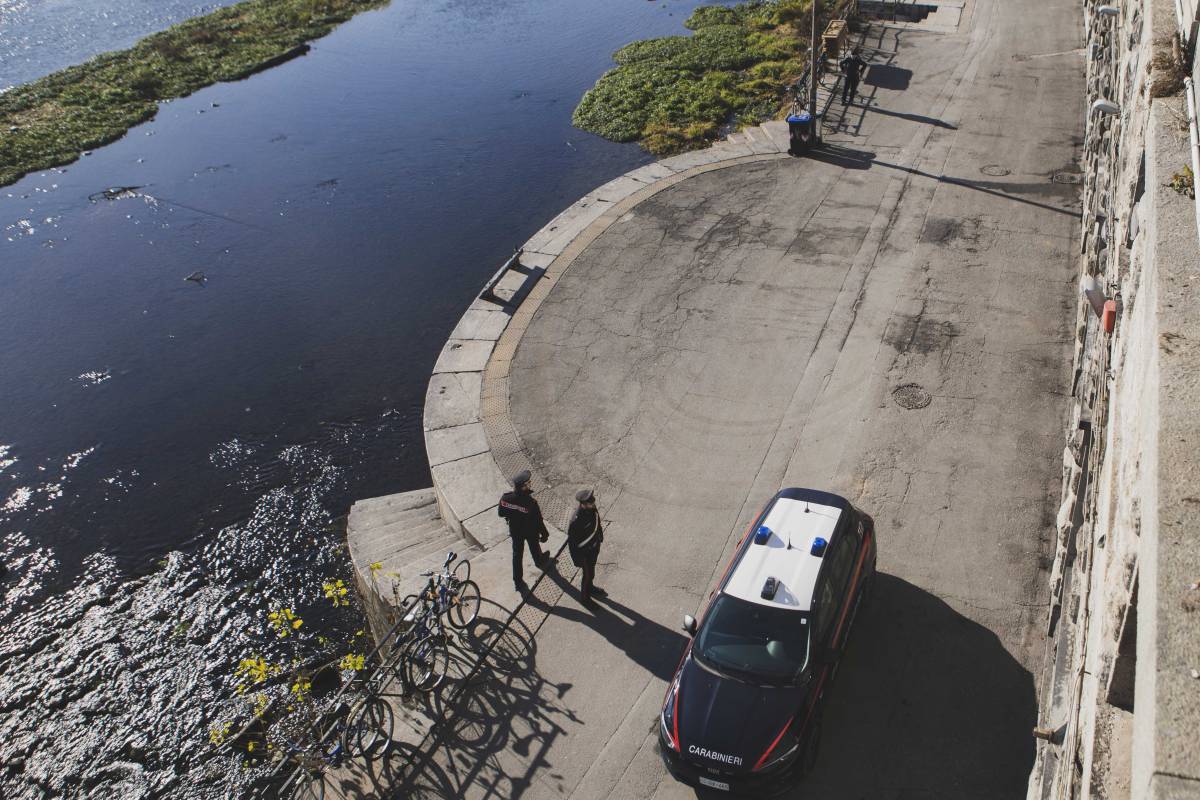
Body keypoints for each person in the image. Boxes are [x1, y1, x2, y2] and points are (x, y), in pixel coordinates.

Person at [498, 469, 550, 594]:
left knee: (517, 555)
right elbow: (538, 520)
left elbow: (500, 513)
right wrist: (544, 533)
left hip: (515, 531)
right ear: (523, 487)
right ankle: (539, 560)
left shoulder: (505, 498)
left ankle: (518, 581)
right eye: (528, 483)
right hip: (530, 531)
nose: (530, 483)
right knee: (534, 546)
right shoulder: (531, 502)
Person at [567, 489, 606, 603]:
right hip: (584, 553)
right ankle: (585, 599)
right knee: (587, 576)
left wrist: (600, 536)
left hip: (594, 547)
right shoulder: (576, 521)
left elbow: (597, 521)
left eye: (593, 502)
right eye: (590, 503)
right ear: (583, 504)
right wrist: (577, 560)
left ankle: (591, 588)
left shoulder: (592, 508)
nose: (593, 504)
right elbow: (572, 544)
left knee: (591, 572)